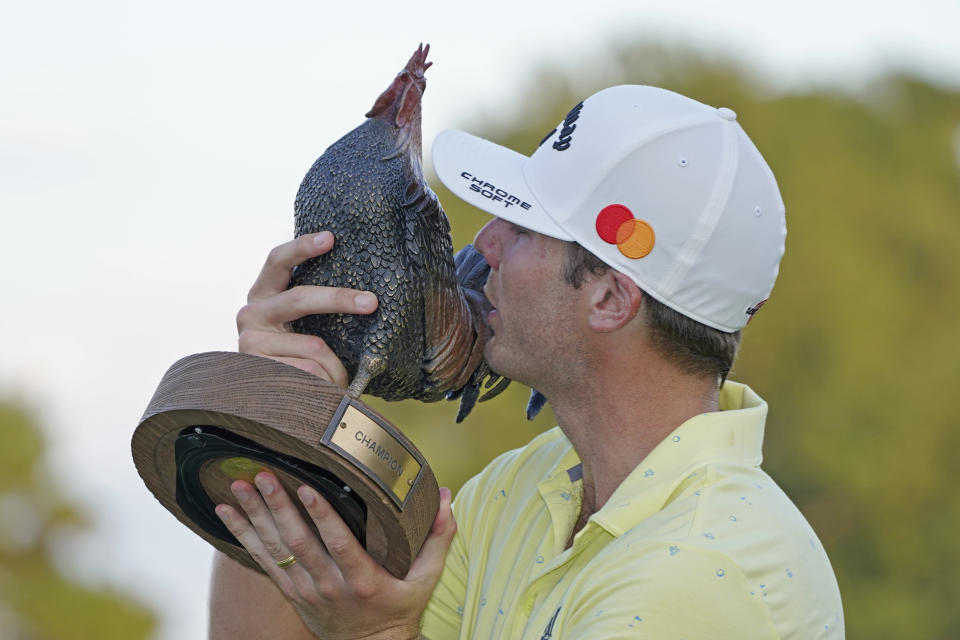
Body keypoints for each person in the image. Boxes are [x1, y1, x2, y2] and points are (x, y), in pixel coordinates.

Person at [209, 85, 844, 639]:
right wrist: (284, 414)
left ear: (608, 298)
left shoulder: (701, 571)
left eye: (526, 226)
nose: (486, 240)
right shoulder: (531, 487)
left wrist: (377, 633)